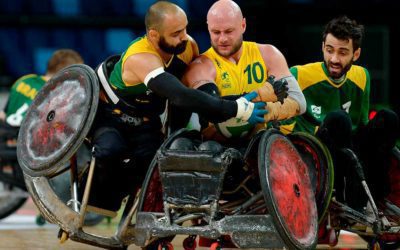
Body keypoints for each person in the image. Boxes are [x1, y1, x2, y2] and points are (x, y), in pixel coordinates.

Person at [89, 1, 267, 212]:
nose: (185, 36)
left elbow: (192, 95)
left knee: (161, 162)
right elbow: (180, 96)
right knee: (111, 150)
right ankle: (94, 197)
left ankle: (140, 209)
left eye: (185, 29)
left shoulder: (187, 46)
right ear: (154, 35)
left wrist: (176, 134)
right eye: (176, 33)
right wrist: (235, 109)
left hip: (148, 121)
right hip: (113, 117)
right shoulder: (140, 57)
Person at [279, 16, 400, 210]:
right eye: (329, 50)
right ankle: (347, 197)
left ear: (356, 53)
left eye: (343, 52)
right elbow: (282, 124)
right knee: (338, 119)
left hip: (348, 149)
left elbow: (362, 125)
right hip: (314, 150)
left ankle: (375, 196)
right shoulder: (298, 75)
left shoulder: (362, 76)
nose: (334, 59)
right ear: (322, 47)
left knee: (388, 118)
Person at [182, 0, 306, 141]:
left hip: (261, 146)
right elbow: (212, 106)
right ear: (208, 28)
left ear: (243, 25)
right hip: (216, 150)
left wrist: (268, 111)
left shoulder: (269, 54)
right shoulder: (200, 66)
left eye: (229, 31)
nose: (222, 38)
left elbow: (299, 102)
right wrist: (264, 95)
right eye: (216, 32)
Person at [1, 49, 83, 128]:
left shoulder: (24, 79)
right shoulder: (57, 94)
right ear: (68, 73)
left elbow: (4, 114)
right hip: (23, 140)